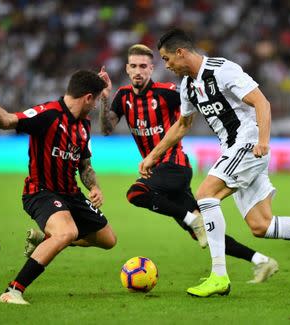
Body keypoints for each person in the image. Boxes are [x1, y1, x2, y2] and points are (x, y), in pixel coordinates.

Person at [139, 29, 290, 297]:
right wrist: (153, 155)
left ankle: (219, 276)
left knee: (205, 195)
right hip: (235, 149)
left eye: (167, 59)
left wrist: (262, 140)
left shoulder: (223, 69)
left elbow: (262, 102)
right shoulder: (188, 86)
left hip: (248, 143)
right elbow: (183, 124)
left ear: (181, 52)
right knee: (262, 225)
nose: (166, 66)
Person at [99, 44, 278, 284]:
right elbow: (107, 129)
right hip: (157, 169)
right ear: (127, 69)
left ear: (152, 68)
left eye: (144, 66)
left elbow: (193, 109)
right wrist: (103, 100)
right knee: (205, 231)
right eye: (133, 66)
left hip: (175, 165)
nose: (138, 71)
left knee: (136, 193)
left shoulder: (168, 92)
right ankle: (261, 261)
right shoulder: (122, 97)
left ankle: (194, 220)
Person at [0, 69, 117, 305]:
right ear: (88, 97)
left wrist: (95, 187)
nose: (94, 107)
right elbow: (8, 121)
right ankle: (13, 291)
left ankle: (45, 238)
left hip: (71, 193)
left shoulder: (83, 126)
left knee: (108, 240)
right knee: (67, 232)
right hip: (40, 191)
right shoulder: (47, 114)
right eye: (95, 101)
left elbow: (84, 164)